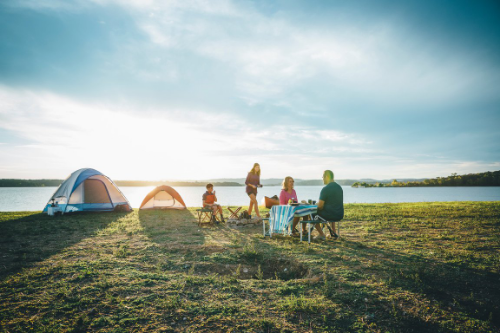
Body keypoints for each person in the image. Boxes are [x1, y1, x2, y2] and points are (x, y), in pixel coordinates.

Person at [314, 170, 344, 240]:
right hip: (339, 214)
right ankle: (333, 232)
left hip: (330, 214)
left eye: (323, 177)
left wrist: (315, 205)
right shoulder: (339, 188)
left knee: (312, 214)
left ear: (327, 177)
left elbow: (320, 206)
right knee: (331, 209)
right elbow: (333, 204)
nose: (323, 179)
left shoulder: (325, 189)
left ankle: (321, 234)